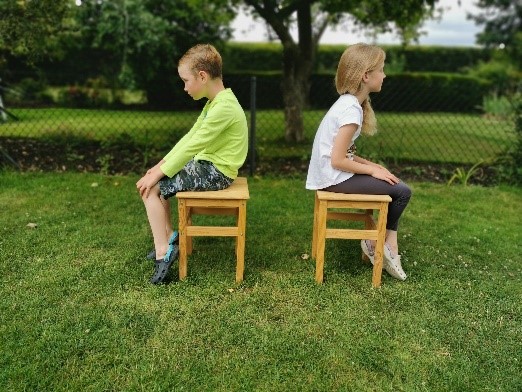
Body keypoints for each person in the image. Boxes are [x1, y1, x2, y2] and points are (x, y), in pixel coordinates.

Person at [136, 44, 248, 284]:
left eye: (185, 81)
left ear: (202, 76)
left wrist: (157, 176)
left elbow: (192, 146)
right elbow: (189, 138)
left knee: (151, 190)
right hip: (209, 167)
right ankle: (169, 238)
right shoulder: (216, 103)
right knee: (157, 182)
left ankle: (162, 252)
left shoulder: (223, 108)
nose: (185, 88)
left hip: (216, 173)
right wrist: (158, 167)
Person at [306, 43, 412, 281]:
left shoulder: (348, 104)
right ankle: (387, 245)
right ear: (366, 76)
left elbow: (345, 154)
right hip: (332, 178)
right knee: (402, 192)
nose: (384, 75)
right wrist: (372, 172)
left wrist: (374, 167)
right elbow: (338, 159)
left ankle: (380, 242)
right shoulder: (351, 111)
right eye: (381, 70)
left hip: (330, 174)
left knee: (394, 184)